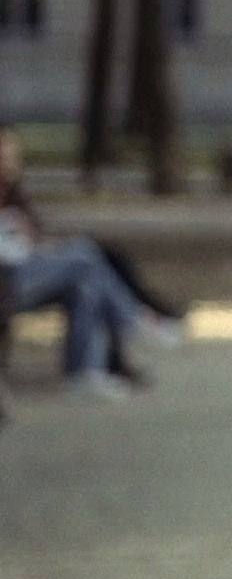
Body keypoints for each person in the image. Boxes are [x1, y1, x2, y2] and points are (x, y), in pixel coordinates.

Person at [0, 123, 183, 400]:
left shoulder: (14, 196)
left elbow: (33, 240)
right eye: (5, 153)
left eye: (14, 153)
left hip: (24, 273)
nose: (11, 160)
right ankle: (134, 319)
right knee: (85, 255)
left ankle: (84, 372)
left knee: (85, 282)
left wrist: (38, 245)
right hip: (8, 279)